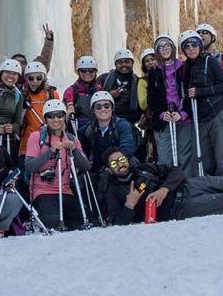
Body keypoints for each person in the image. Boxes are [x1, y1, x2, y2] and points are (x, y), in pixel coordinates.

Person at [98, 148, 223, 224]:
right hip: (178, 208)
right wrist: (130, 205)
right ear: (109, 169)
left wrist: (164, 189)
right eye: (114, 164)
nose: (120, 164)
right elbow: (117, 222)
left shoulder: (143, 169)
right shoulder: (115, 191)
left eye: (121, 160)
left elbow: (176, 172)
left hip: (187, 186)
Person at [25, 98, 90, 231]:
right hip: (42, 191)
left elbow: (86, 167)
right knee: (53, 223)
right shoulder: (36, 137)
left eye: (60, 116)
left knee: (84, 221)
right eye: (51, 116)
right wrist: (51, 151)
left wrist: (74, 150)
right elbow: (30, 166)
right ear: (45, 119)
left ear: (64, 117)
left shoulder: (71, 139)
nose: (56, 120)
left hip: (65, 191)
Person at [177, 29, 223, 178]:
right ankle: (209, 190)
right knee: (203, 158)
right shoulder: (186, 68)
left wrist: (200, 92)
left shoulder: (210, 61)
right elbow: (187, 94)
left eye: (194, 44)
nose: (191, 49)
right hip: (200, 118)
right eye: (187, 46)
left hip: (218, 112)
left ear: (200, 46)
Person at [145, 33, 192, 175]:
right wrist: (161, 113)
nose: (164, 49)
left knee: (184, 156)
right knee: (165, 157)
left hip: (183, 118)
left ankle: (187, 185)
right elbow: (151, 98)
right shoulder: (154, 72)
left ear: (172, 47)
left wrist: (183, 113)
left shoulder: (184, 68)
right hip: (164, 119)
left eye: (167, 45)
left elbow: (190, 93)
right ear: (157, 51)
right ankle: (168, 186)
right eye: (161, 47)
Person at [0, 20, 54, 84]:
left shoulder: (33, 80)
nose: (19, 64)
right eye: (16, 62)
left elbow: (44, 61)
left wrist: (49, 41)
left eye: (23, 63)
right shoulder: (1, 80)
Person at [18, 59, 61, 157]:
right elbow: (18, 122)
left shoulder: (52, 94)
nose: (34, 81)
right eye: (31, 78)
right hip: (28, 141)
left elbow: (60, 119)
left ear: (44, 78)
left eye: (38, 78)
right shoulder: (23, 95)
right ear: (26, 79)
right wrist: (23, 108)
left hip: (50, 140)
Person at [85, 90, 137, 160]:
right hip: (100, 168)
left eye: (106, 106)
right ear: (93, 110)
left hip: (122, 164)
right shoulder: (89, 129)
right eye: (98, 107)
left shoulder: (122, 125)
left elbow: (128, 149)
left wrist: (111, 164)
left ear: (112, 108)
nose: (103, 109)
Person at [99, 49, 143, 128]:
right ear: (115, 65)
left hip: (130, 123)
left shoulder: (138, 82)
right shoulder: (103, 79)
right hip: (107, 122)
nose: (124, 65)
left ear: (132, 63)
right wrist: (109, 96)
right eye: (120, 62)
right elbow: (92, 98)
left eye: (127, 62)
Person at [63, 55, 101, 139]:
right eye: (83, 71)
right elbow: (65, 113)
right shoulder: (70, 91)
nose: (87, 73)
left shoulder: (100, 90)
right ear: (78, 72)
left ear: (95, 72)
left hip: (98, 126)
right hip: (77, 130)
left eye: (91, 71)